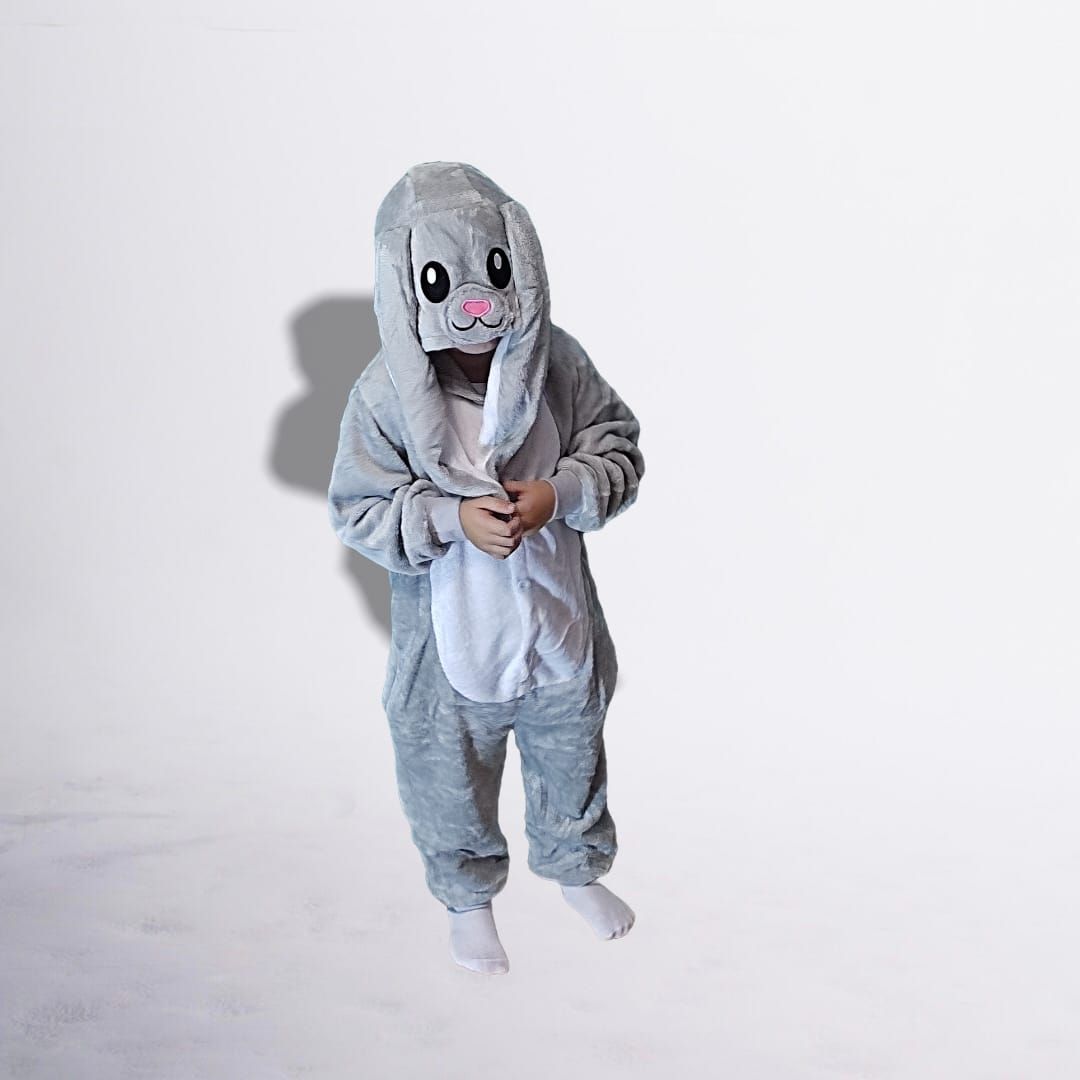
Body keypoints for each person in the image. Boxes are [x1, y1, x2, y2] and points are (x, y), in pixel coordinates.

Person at [327, 161, 645, 975]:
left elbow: (617, 446)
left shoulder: (559, 364)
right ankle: (468, 900)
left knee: (572, 749)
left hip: (557, 621)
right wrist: (449, 516)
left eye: (494, 272)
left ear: (520, 263)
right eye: (442, 282)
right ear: (405, 285)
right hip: (452, 642)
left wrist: (560, 492)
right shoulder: (384, 396)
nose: (474, 306)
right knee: (447, 770)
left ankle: (576, 869)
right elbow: (358, 506)